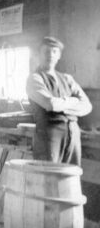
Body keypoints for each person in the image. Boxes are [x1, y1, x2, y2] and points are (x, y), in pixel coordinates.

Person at [26, 36, 92, 166]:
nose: (50, 55)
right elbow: (50, 104)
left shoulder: (67, 79)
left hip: (73, 132)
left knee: (71, 177)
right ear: (39, 54)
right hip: (49, 135)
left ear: (59, 55)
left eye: (54, 51)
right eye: (46, 51)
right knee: (48, 177)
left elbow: (87, 106)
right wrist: (73, 101)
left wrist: (61, 104)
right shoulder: (34, 79)